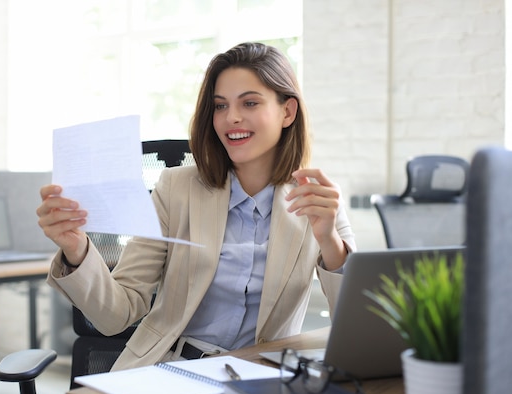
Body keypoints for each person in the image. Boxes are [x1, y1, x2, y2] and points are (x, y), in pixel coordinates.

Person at [37, 42, 356, 371]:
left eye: (249, 102)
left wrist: (330, 241)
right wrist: (76, 250)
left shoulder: (317, 201)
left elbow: (356, 326)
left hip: (260, 377)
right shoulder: (176, 189)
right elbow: (117, 315)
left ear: (287, 112)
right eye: (220, 106)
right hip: (168, 368)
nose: (232, 117)